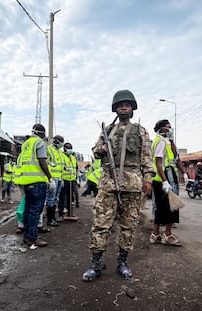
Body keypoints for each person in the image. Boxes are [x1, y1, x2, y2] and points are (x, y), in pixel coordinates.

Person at [82, 89, 154, 282]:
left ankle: (122, 262)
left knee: (128, 225)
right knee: (101, 224)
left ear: (132, 109)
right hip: (108, 184)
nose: (124, 107)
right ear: (115, 109)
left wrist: (148, 180)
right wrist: (102, 149)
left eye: (127, 105)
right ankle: (96, 264)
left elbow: (147, 157)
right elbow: (95, 151)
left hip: (132, 183)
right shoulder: (107, 131)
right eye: (121, 105)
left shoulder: (141, 130)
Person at [18, 123, 55, 249]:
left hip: (27, 181)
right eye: (44, 134)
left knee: (28, 210)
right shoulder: (39, 143)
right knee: (35, 211)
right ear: (41, 133)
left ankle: (27, 237)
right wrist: (50, 177)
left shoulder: (26, 144)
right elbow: (42, 161)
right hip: (37, 181)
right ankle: (33, 238)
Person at [150, 120, 181, 246]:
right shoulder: (161, 142)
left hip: (161, 178)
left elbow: (174, 154)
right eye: (168, 128)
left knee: (160, 207)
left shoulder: (165, 141)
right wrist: (165, 182)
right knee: (170, 207)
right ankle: (167, 235)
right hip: (164, 178)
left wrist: (172, 140)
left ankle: (155, 234)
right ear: (162, 129)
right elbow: (158, 163)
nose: (171, 129)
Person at [45, 135, 65, 227]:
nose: (61, 145)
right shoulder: (48, 149)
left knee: (55, 199)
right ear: (56, 142)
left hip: (59, 179)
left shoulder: (60, 153)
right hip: (52, 178)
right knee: (50, 198)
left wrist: (62, 178)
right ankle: (50, 219)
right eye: (61, 143)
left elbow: (61, 166)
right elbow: (46, 163)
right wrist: (50, 179)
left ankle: (53, 218)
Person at [59, 142, 79, 218]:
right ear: (64, 149)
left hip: (72, 180)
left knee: (70, 198)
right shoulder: (61, 156)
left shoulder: (73, 158)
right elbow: (60, 167)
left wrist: (76, 178)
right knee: (62, 197)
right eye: (68, 148)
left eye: (71, 148)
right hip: (64, 179)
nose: (70, 150)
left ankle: (70, 213)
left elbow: (75, 168)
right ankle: (61, 215)